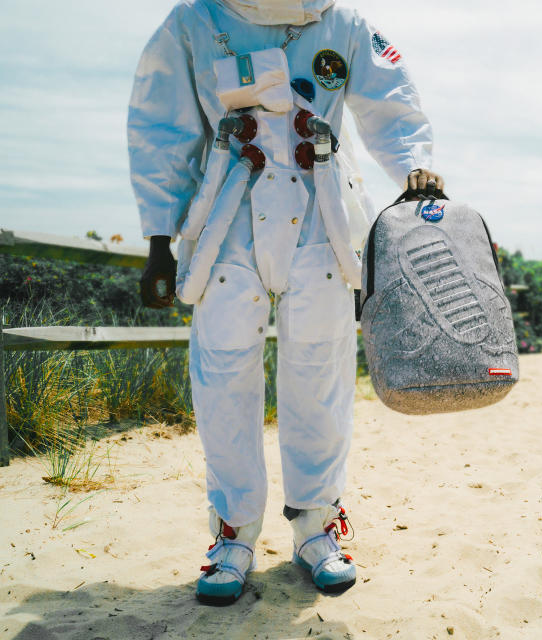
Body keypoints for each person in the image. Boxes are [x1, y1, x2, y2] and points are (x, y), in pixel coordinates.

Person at [128, 0, 443, 605]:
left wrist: (414, 167)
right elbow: (160, 127)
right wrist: (159, 239)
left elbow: (389, 98)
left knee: (320, 375)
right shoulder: (195, 21)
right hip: (227, 218)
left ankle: (317, 528)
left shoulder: (341, 25)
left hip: (320, 217)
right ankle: (232, 537)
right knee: (221, 379)